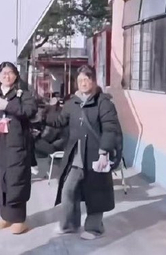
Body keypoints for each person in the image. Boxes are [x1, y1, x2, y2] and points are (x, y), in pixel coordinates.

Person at [47, 65, 123, 240]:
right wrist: (48, 110)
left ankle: (94, 228)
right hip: (76, 156)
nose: (83, 83)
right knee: (68, 190)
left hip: (96, 156)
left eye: (86, 79)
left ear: (94, 81)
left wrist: (104, 152)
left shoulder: (104, 103)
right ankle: (69, 225)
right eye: (80, 80)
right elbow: (59, 121)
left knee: (96, 193)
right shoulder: (72, 103)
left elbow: (110, 129)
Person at [0, 61, 37, 235]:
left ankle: (19, 220)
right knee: (1, 180)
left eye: (10, 72)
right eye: (3, 73)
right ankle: (6, 217)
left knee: (16, 181)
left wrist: (9, 106)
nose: (7, 76)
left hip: (17, 146)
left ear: (16, 75)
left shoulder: (22, 94)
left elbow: (31, 111)